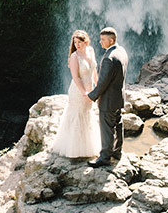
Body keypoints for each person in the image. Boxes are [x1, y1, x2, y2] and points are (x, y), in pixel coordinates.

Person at [50, 29, 100, 158]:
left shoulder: (91, 51)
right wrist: (84, 93)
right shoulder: (74, 57)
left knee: (87, 115)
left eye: (80, 42)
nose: (77, 45)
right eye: (75, 42)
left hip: (91, 88)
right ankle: (73, 149)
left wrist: (98, 86)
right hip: (78, 91)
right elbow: (76, 77)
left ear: (86, 42)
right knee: (77, 115)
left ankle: (88, 146)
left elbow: (94, 71)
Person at [86, 26, 128, 167]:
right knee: (118, 124)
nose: (100, 42)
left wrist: (92, 96)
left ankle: (104, 158)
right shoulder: (121, 51)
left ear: (111, 40)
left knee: (107, 129)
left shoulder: (109, 58)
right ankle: (117, 152)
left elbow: (103, 82)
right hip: (118, 97)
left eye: (103, 39)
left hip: (108, 100)